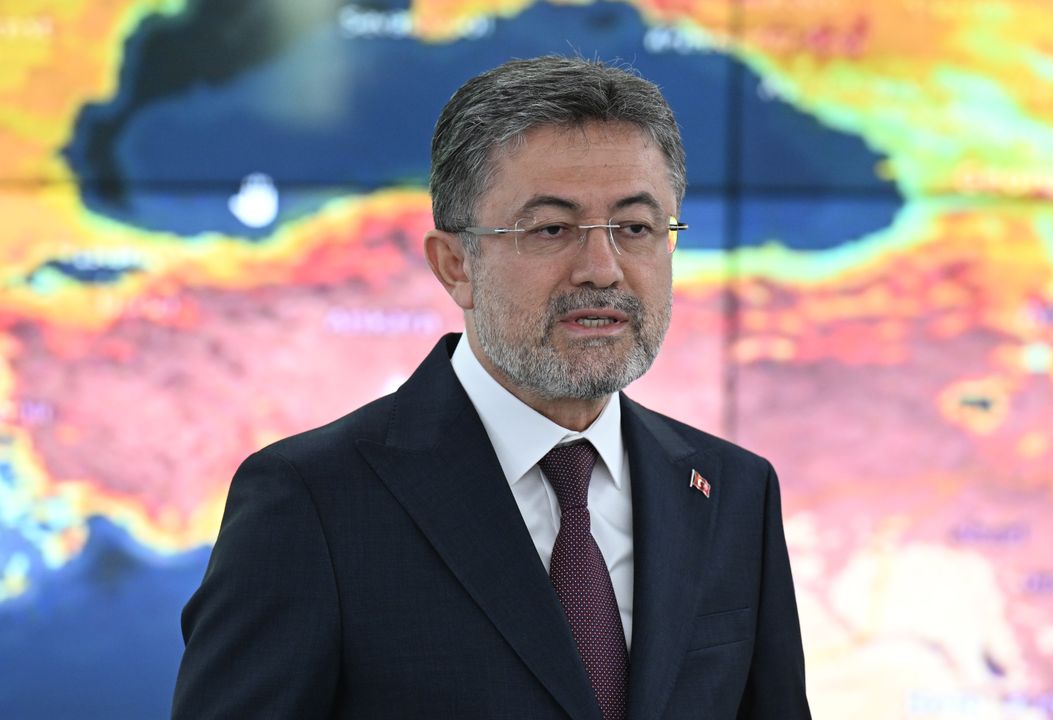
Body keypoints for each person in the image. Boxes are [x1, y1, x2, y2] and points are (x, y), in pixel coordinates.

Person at [172, 56, 811, 719]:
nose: (603, 269)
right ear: (455, 265)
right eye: (552, 229)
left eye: (635, 229)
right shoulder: (310, 501)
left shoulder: (733, 491)